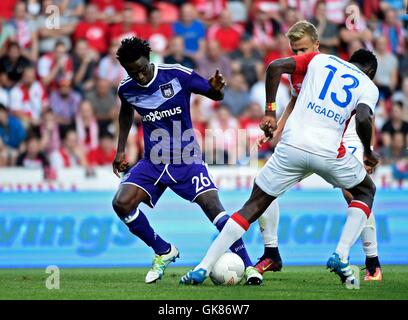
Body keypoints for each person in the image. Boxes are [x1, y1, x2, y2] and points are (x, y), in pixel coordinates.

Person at [180, 48, 380, 287]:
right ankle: (341, 254)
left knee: (253, 205)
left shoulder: (320, 59)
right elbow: (364, 117)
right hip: (329, 152)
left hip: (291, 147)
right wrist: (368, 152)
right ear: (371, 72)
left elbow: (275, 67)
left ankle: (202, 267)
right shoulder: (368, 85)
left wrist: (270, 113)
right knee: (365, 191)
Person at [111, 37, 262, 285]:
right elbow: (126, 111)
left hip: (186, 159)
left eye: (142, 69)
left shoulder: (177, 74)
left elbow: (215, 94)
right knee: (121, 203)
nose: (138, 76)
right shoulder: (126, 88)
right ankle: (163, 250)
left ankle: (249, 266)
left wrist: (216, 88)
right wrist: (120, 150)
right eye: (132, 72)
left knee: (215, 209)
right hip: (153, 162)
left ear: (150, 61)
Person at [253, 21, 383, 281]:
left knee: (354, 192)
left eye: (302, 50)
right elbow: (294, 99)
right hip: (306, 136)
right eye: (294, 50)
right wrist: (276, 130)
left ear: (316, 46)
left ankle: (372, 262)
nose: (298, 56)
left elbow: (365, 117)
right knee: (265, 185)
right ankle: (271, 252)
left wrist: (368, 150)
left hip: (342, 133)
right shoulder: (299, 70)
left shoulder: (326, 67)